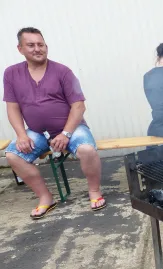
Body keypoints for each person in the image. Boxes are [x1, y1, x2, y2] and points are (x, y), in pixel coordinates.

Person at [3, 27, 106, 219]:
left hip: (71, 128)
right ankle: (45, 197)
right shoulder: (11, 74)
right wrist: (21, 135)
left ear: (46, 47)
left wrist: (66, 133)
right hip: (36, 131)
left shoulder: (63, 72)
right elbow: (12, 108)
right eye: (31, 45)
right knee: (12, 155)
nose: (37, 49)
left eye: (40, 44)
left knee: (87, 150)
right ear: (20, 49)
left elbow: (78, 106)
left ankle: (94, 191)